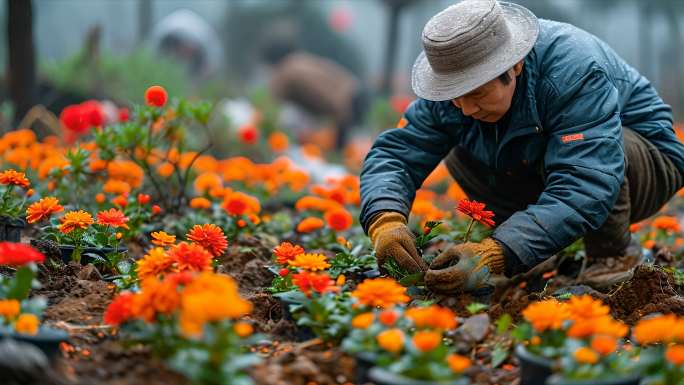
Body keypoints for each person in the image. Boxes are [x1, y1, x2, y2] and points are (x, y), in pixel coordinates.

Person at [360, 0, 684, 292]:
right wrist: (385, 220)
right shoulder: (452, 91)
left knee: (605, 149)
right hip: (547, 162)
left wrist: (496, 253)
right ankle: (531, 246)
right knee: (460, 151)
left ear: (514, 65)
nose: (466, 106)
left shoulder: (573, 70)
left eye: (476, 93)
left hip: (646, 162)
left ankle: (612, 253)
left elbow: (588, 180)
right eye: (454, 94)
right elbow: (397, 153)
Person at [262, 39, 365, 150]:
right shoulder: (299, 59)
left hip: (347, 101)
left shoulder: (287, 69)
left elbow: (274, 101)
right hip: (354, 91)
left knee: (341, 150)